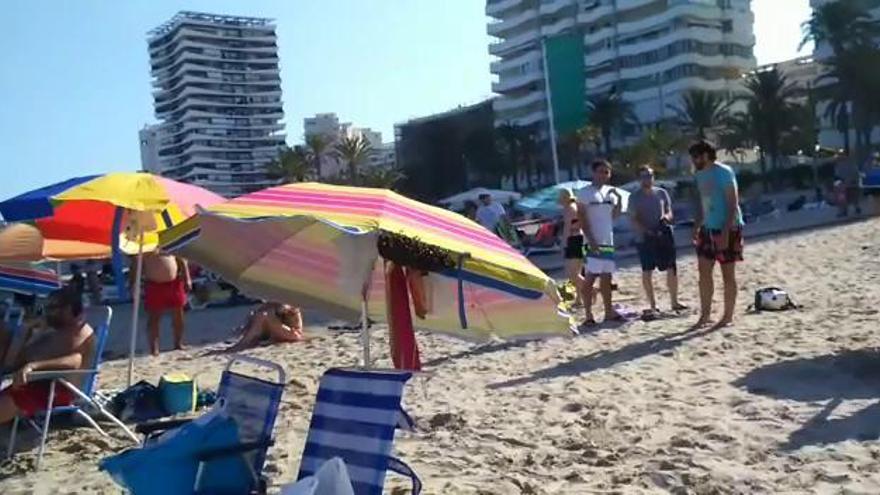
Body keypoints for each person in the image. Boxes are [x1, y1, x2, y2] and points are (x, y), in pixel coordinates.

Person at [0, 288, 95, 425]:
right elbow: (13, 362)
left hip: (55, 390)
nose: (46, 313)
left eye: (51, 308)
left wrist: (33, 366)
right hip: (34, 384)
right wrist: (25, 332)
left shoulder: (78, 331)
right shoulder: (55, 330)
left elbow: (74, 361)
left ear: (67, 309)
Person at [690, 140, 745, 329]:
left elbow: (732, 203)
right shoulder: (699, 175)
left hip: (728, 227)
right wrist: (697, 226)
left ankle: (727, 316)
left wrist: (725, 231)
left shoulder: (723, 172)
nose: (694, 160)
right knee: (704, 272)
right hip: (707, 228)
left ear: (706, 155)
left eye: (696, 156)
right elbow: (702, 203)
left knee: (727, 274)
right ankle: (705, 315)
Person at [629, 165, 687, 318]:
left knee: (671, 267)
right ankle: (653, 304)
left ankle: (674, 301)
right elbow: (633, 218)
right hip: (644, 238)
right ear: (638, 179)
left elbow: (669, 211)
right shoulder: (634, 197)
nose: (646, 179)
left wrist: (666, 218)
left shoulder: (661, 193)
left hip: (664, 234)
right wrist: (647, 230)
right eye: (643, 176)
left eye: (649, 175)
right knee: (647, 270)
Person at [577, 159, 623, 325]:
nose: (603, 175)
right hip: (592, 240)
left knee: (606, 277)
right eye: (600, 171)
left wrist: (618, 200)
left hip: (607, 239)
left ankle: (608, 312)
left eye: (606, 172)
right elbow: (582, 218)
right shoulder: (585, 193)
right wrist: (591, 240)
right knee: (590, 277)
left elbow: (614, 216)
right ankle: (588, 315)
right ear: (593, 172)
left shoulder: (610, 193)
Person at [139, 253, 192, 356]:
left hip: (174, 282)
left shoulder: (169, 242)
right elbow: (137, 263)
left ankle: (178, 343)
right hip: (154, 284)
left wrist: (187, 278)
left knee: (178, 314)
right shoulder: (147, 245)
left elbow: (182, 259)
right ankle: (154, 348)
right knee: (154, 317)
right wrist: (134, 283)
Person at [225, 302, 304, 352]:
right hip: (279, 332)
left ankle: (244, 342)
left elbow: (284, 308)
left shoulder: (288, 301)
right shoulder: (273, 302)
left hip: (293, 333)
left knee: (264, 315)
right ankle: (246, 338)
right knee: (257, 314)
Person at [558, 188, 584, 306]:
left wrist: (563, 244)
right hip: (580, 238)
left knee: (571, 273)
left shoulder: (569, 209)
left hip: (573, 240)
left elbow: (567, 228)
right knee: (577, 271)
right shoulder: (576, 206)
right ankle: (579, 298)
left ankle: (592, 288)